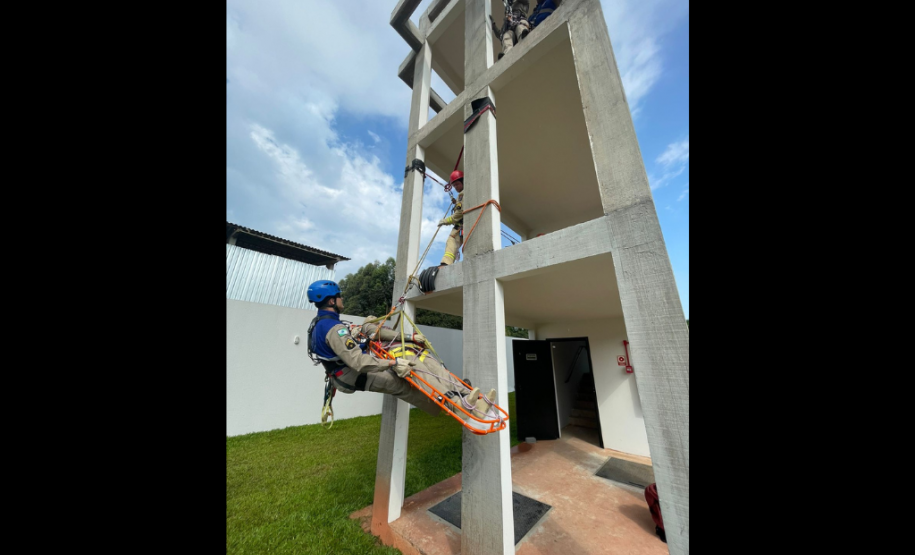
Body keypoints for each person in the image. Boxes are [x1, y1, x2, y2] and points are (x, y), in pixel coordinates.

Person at [306, 280, 497, 421]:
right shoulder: (333, 328)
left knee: (433, 369)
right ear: (331, 301)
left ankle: (464, 395)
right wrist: (393, 363)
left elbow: (348, 350)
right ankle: (457, 407)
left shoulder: (322, 325)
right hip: (352, 374)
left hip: (346, 371)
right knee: (411, 380)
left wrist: (411, 339)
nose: (342, 299)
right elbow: (359, 362)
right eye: (339, 296)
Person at [438, 170, 465, 266]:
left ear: (463, 181)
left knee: (451, 240)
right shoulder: (463, 195)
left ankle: (446, 263)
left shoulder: (462, 195)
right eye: (454, 185)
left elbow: (458, 215)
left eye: (457, 184)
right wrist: (455, 202)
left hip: (461, 225)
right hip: (465, 224)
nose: (456, 187)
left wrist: (444, 221)